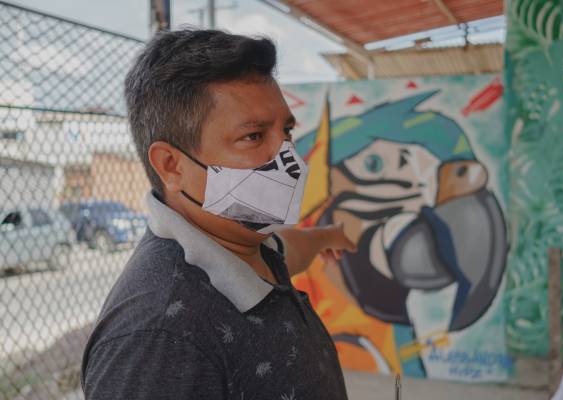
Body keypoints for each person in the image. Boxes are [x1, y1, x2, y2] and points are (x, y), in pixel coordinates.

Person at [80, 28, 356, 399]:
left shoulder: (246, 250)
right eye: (254, 136)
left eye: (286, 132)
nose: (289, 159)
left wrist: (327, 237)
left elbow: (290, 250)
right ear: (172, 165)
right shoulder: (160, 339)